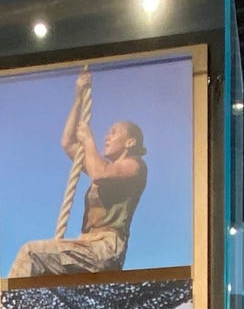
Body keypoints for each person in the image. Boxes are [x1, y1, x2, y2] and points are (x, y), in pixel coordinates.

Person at [8, 68, 148, 277]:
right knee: (39, 267)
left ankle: (10, 299)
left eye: (113, 133)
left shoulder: (135, 165)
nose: (106, 137)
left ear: (130, 142)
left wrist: (89, 140)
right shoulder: (100, 165)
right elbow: (68, 144)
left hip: (105, 247)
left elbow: (99, 174)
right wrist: (78, 99)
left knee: (30, 253)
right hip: (87, 243)